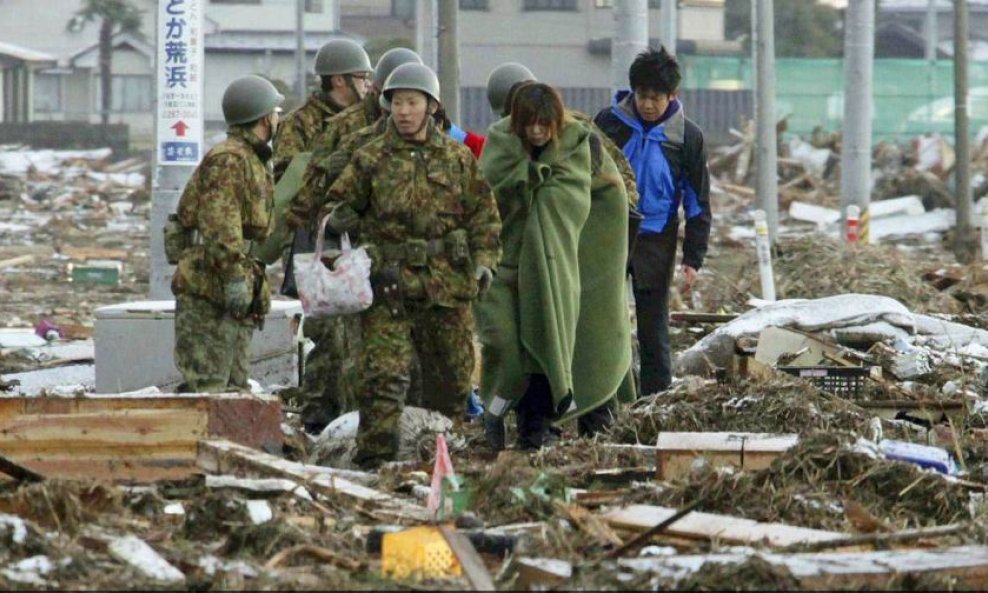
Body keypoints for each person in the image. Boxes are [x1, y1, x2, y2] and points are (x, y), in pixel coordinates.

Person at [321, 63, 501, 469]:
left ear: (432, 107)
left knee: (452, 380)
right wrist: (338, 223)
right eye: (397, 102)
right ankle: (374, 463)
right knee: (384, 380)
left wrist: (485, 262)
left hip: (446, 288)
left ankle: (441, 462)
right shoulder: (369, 158)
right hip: (387, 288)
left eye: (412, 102)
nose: (403, 111)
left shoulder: (457, 159)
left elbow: (484, 218)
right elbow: (332, 211)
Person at [476, 83, 631, 450]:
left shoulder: (579, 145)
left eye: (544, 125)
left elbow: (603, 199)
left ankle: (544, 429)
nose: (536, 133)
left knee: (562, 348)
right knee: (509, 357)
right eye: (528, 124)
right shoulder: (500, 146)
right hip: (506, 270)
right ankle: (494, 414)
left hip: (560, 269)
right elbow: (482, 200)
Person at [594, 46, 712, 396]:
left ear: (672, 96)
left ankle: (655, 399)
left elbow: (696, 201)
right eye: (642, 96)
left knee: (652, 324)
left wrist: (693, 258)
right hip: (610, 233)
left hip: (657, 237)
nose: (648, 105)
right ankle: (605, 396)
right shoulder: (608, 123)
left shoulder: (687, 137)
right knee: (604, 319)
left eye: (656, 98)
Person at [170, 75, 284, 392]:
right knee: (208, 387)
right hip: (210, 284)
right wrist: (234, 274)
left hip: (229, 281)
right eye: (276, 113)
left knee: (233, 389)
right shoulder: (230, 160)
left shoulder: (250, 158)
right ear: (264, 118)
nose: (279, 119)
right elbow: (221, 222)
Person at [272, 38, 372, 181]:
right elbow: (285, 184)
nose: (367, 84)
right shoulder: (297, 123)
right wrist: (324, 167)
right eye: (362, 77)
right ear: (339, 81)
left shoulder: (366, 118)